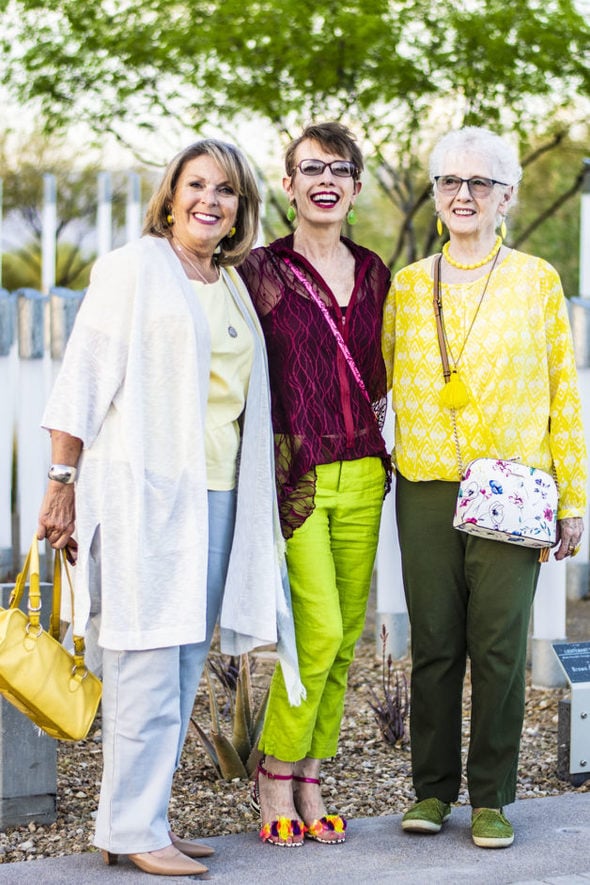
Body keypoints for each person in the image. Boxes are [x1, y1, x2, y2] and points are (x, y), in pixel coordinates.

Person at [37, 139, 303, 877]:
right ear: (171, 193)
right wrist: (61, 481)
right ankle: (127, 825)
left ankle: (143, 820)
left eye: (226, 191)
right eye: (197, 185)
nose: (209, 201)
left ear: (240, 209)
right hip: (144, 498)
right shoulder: (133, 269)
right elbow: (83, 378)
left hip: (217, 499)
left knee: (182, 663)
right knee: (143, 659)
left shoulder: (231, 284)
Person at [382, 126, 587, 849]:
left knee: (499, 647)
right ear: (435, 194)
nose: (462, 195)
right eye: (448, 182)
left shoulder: (536, 280)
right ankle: (432, 791)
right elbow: (380, 386)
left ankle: (493, 796)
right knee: (436, 644)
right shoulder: (407, 287)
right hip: (429, 485)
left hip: (515, 490)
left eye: (479, 183)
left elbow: (565, 392)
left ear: (507, 196)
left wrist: (574, 497)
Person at [239, 121, 391, 847]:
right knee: (318, 630)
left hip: (365, 466)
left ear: (356, 189)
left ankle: (311, 774)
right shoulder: (259, 271)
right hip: (294, 472)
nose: (325, 179)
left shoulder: (376, 272)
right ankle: (274, 767)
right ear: (290, 184)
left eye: (340, 169)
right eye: (311, 168)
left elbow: (389, 373)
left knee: (346, 635)